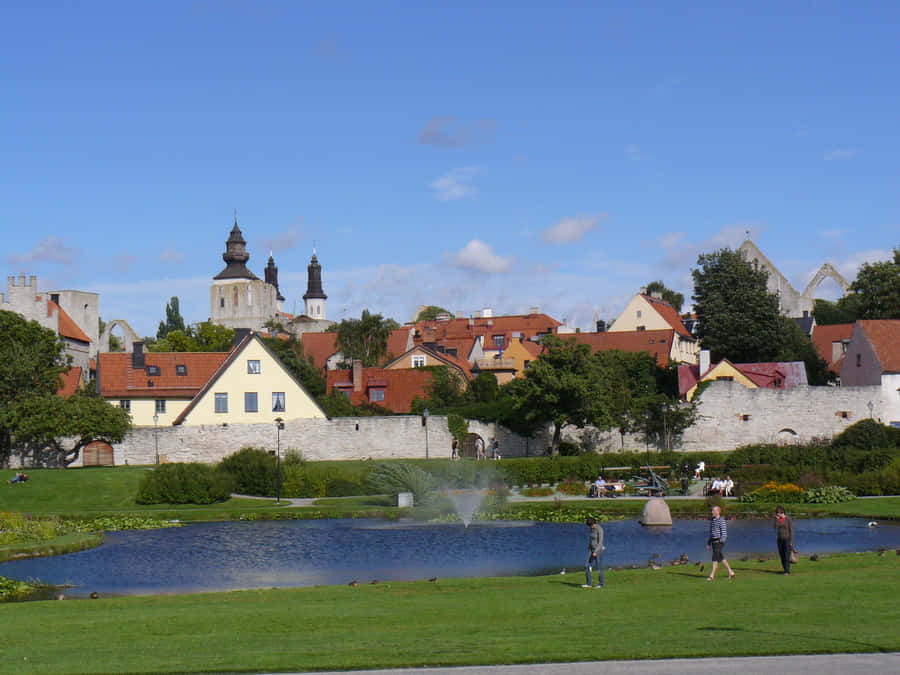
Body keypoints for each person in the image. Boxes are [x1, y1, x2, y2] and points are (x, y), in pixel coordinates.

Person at [706, 505, 734, 581]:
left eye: (713, 511)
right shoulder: (712, 520)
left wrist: (721, 541)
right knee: (721, 558)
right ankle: (730, 572)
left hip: (719, 542)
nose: (712, 512)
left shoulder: (721, 520)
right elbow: (711, 533)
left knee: (714, 557)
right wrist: (708, 543)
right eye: (712, 510)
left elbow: (724, 533)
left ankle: (712, 575)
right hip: (713, 542)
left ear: (718, 511)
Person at [582, 516, 605, 588]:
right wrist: (589, 545)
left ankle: (601, 584)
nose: (591, 527)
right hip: (591, 549)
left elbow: (600, 542)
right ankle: (589, 583)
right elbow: (591, 539)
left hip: (598, 550)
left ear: (594, 523)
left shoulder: (600, 530)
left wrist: (596, 551)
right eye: (589, 526)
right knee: (586, 566)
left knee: (598, 567)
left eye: (591, 525)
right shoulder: (591, 529)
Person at [774, 505, 794, 575]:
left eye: (777, 513)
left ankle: (787, 571)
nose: (777, 514)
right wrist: (777, 519)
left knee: (786, 556)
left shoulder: (788, 519)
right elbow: (775, 527)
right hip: (779, 539)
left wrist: (791, 542)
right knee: (782, 555)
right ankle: (785, 569)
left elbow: (791, 531)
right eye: (776, 513)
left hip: (787, 539)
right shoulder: (777, 519)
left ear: (781, 512)